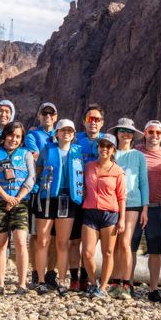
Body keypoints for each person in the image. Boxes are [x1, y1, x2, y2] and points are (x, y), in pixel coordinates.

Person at [32, 119, 84, 295]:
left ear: (74, 133)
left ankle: (62, 281)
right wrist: (34, 189)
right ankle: (40, 281)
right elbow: (37, 172)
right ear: (57, 133)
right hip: (47, 197)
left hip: (67, 199)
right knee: (43, 241)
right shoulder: (47, 150)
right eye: (63, 130)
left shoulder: (78, 152)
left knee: (62, 243)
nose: (66, 133)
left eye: (70, 130)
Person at [0, 120, 36, 293]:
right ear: (5, 135)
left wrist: (17, 198)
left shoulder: (26, 154)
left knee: (21, 241)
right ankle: (0, 284)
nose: (14, 139)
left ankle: (22, 284)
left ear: (22, 140)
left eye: (18, 136)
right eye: (11, 135)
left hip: (20, 204)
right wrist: (6, 197)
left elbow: (31, 178)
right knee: (1, 243)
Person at [80, 133, 127, 297]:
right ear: (98, 147)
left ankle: (103, 287)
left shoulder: (118, 171)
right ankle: (93, 282)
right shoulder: (89, 167)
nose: (104, 149)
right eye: (102, 145)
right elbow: (83, 189)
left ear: (113, 149)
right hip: (90, 213)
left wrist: (122, 219)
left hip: (110, 215)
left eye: (108, 146)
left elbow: (122, 197)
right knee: (87, 252)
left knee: (108, 252)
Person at [111, 119, 148, 299]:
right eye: (123, 131)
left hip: (133, 202)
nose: (126, 134)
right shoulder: (111, 153)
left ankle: (127, 283)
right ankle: (115, 282)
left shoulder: (138, 156)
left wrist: (146, 208)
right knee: (115, 244)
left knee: (125, 243)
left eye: (129, 131)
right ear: (117, 133)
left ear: (133, 135)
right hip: (112, 202)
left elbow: (143, 182)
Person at [69, 106, 105, 289]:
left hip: (95, 200)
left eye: (97, 119)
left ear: (102, 123)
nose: (93, 122)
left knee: (89, 243)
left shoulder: (106, 142)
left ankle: (86, 277)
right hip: (76, 197)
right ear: (84, 121)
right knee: (74, 240)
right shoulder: (75, 140)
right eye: (90, 119)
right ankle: (74, 278)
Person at [137, 120, 161, 303]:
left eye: (158, 132)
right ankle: (125, 283)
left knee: (155, 251)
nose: (154, 135)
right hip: (136, 206)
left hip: (158, 208)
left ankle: (153, 289)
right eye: (151, 132)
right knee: (130, 247)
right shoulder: (136, 152)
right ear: (145, 133)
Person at [26, 102, 59, 287]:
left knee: (54, 235)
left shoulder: (62, 133)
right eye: (44, 113)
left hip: (58, 192)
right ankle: (35, 271)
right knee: (36, 234)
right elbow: (36, 157)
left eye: (51, 113)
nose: (47, 116)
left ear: (55, 116)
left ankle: (50, 273)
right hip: (38, 191)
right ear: (39, 116)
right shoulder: (32, 135)